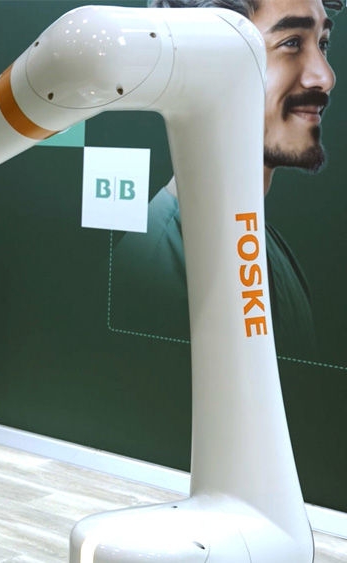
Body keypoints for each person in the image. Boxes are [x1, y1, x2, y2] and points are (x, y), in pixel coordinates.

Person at [111, 0, 340, 358]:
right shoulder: (154, 264)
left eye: (322, 43)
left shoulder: (274, 253)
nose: (325, 76)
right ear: (206, 67)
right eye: (291, 42)